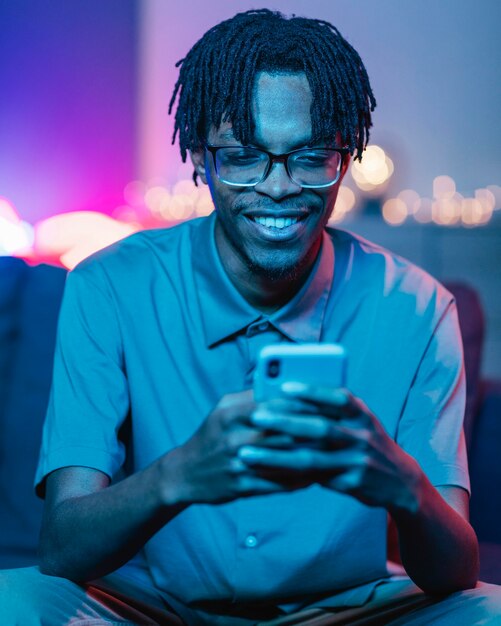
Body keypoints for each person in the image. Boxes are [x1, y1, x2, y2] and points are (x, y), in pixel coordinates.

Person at [1, 8, 501, 625]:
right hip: (152, 607)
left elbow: (456, 571)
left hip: (351, 611)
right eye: (242, 156)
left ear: (343, 160)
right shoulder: (108, 286)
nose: (278, 187)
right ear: (201, 158)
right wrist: (178, 475)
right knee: (13, 604)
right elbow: (62, 545)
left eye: (311, 156)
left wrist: (402, 483)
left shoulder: (419, 309)